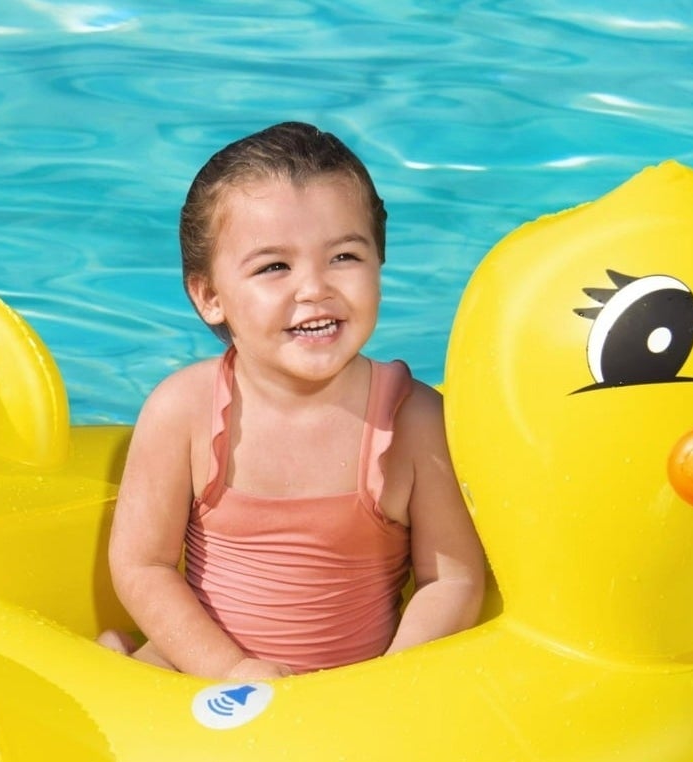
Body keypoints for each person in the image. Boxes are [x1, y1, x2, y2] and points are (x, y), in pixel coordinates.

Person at [104, 122, 485, 679]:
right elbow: (143, 565)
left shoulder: (414, 420)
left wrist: (390, 686)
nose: (314, 288)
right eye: (274, 266)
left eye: (344, 257)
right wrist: (231, 668)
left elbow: (450, 579)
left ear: (379, 261)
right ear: (210, 296)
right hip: (202, 680)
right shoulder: (182, 410)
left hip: (350, 697)